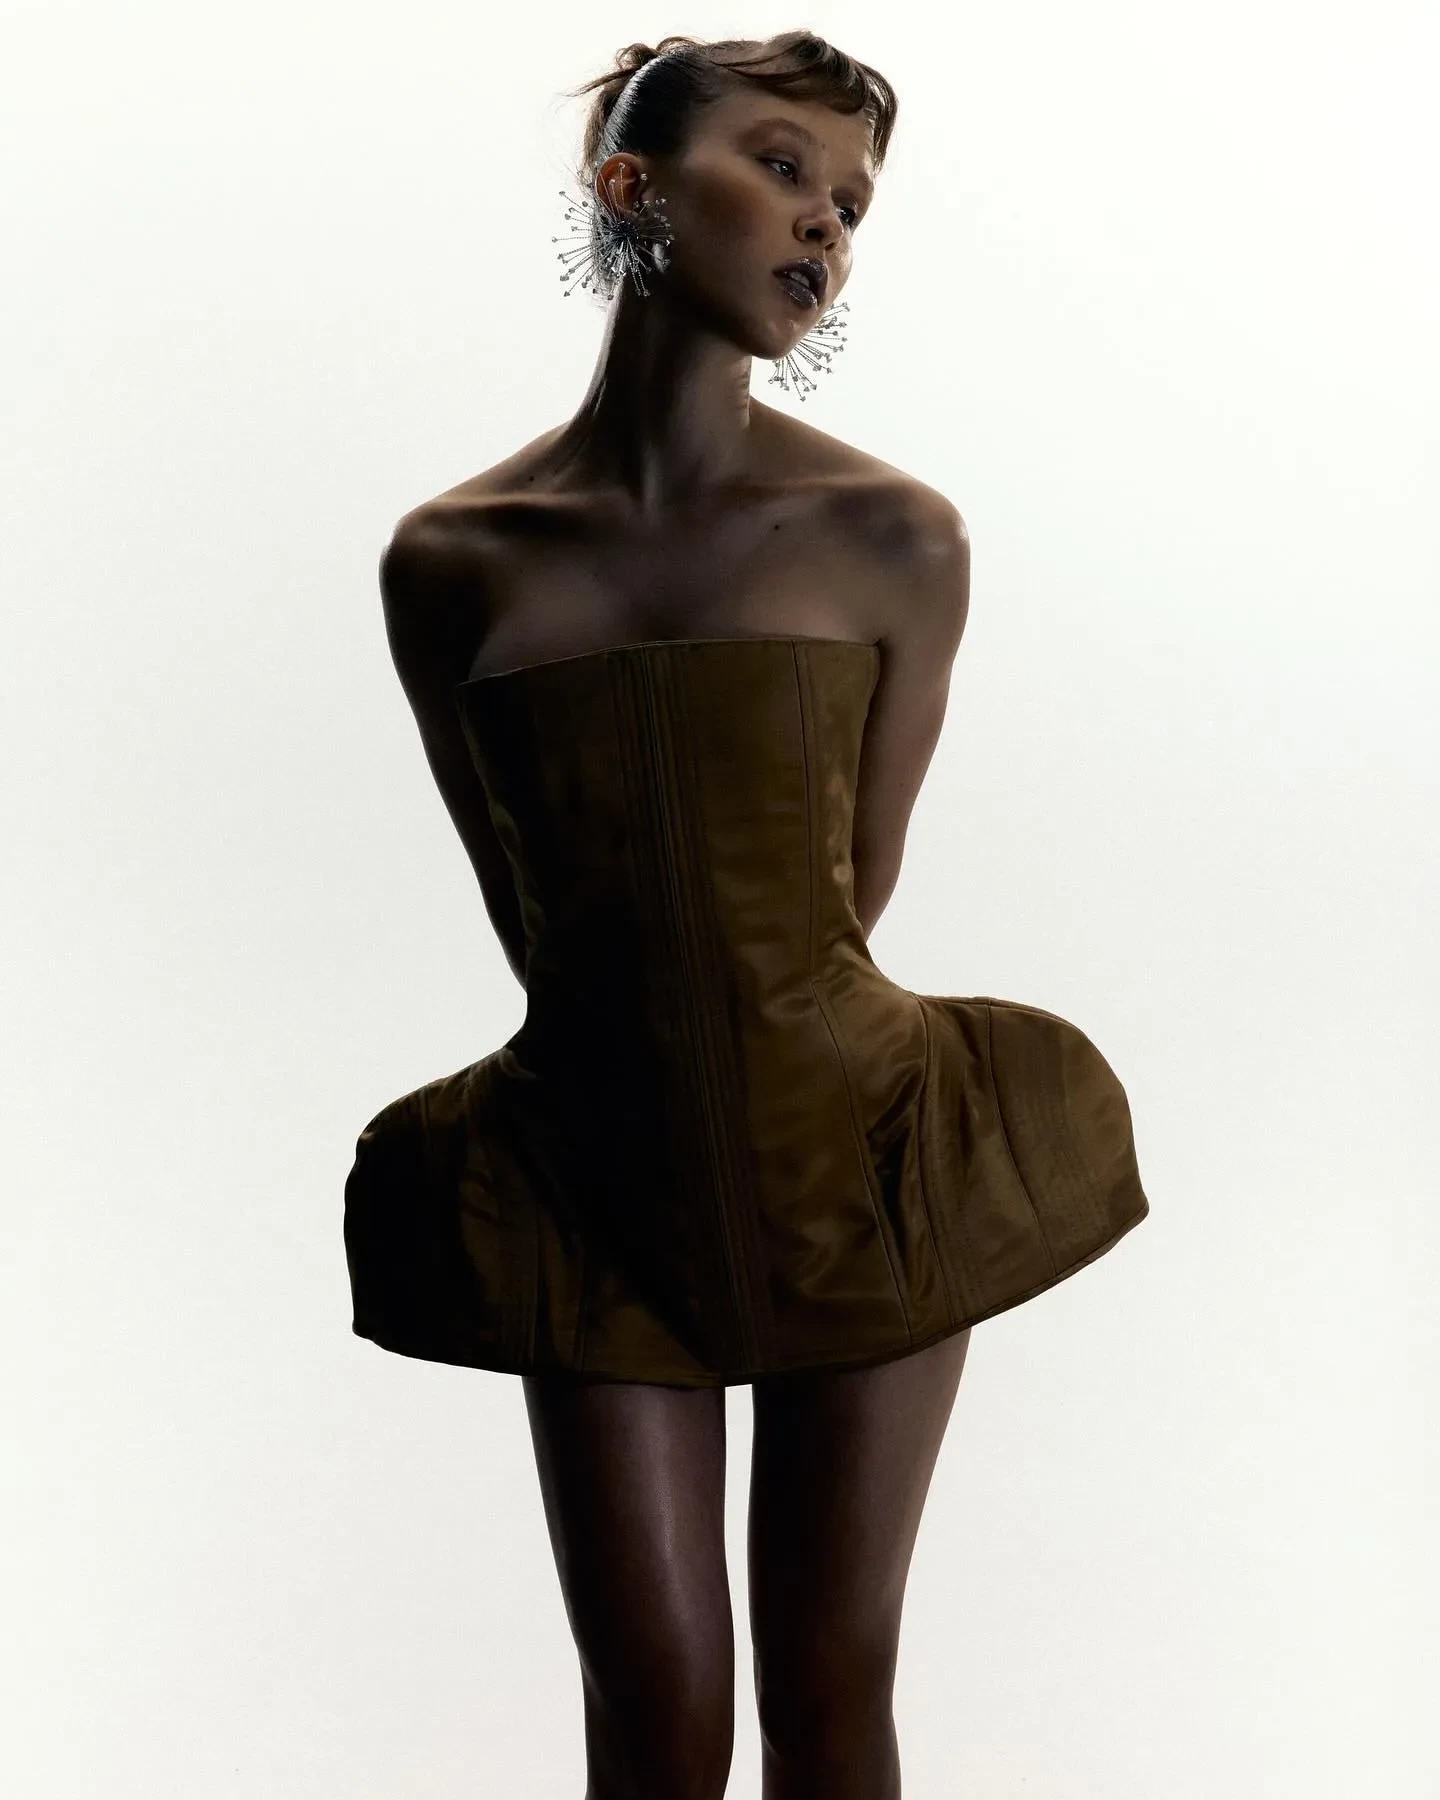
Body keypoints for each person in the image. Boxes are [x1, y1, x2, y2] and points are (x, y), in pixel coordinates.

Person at [342, 30, 1150, 1798]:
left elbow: (852, 888)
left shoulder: (897, 538)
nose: (825, 224)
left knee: (830, 1687)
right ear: (633, 186)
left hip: (859, 1163)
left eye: (851, 202)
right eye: (782, 167)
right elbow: (532, 911)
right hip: (593, 1184)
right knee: (652, 1708)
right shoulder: (449, 561)